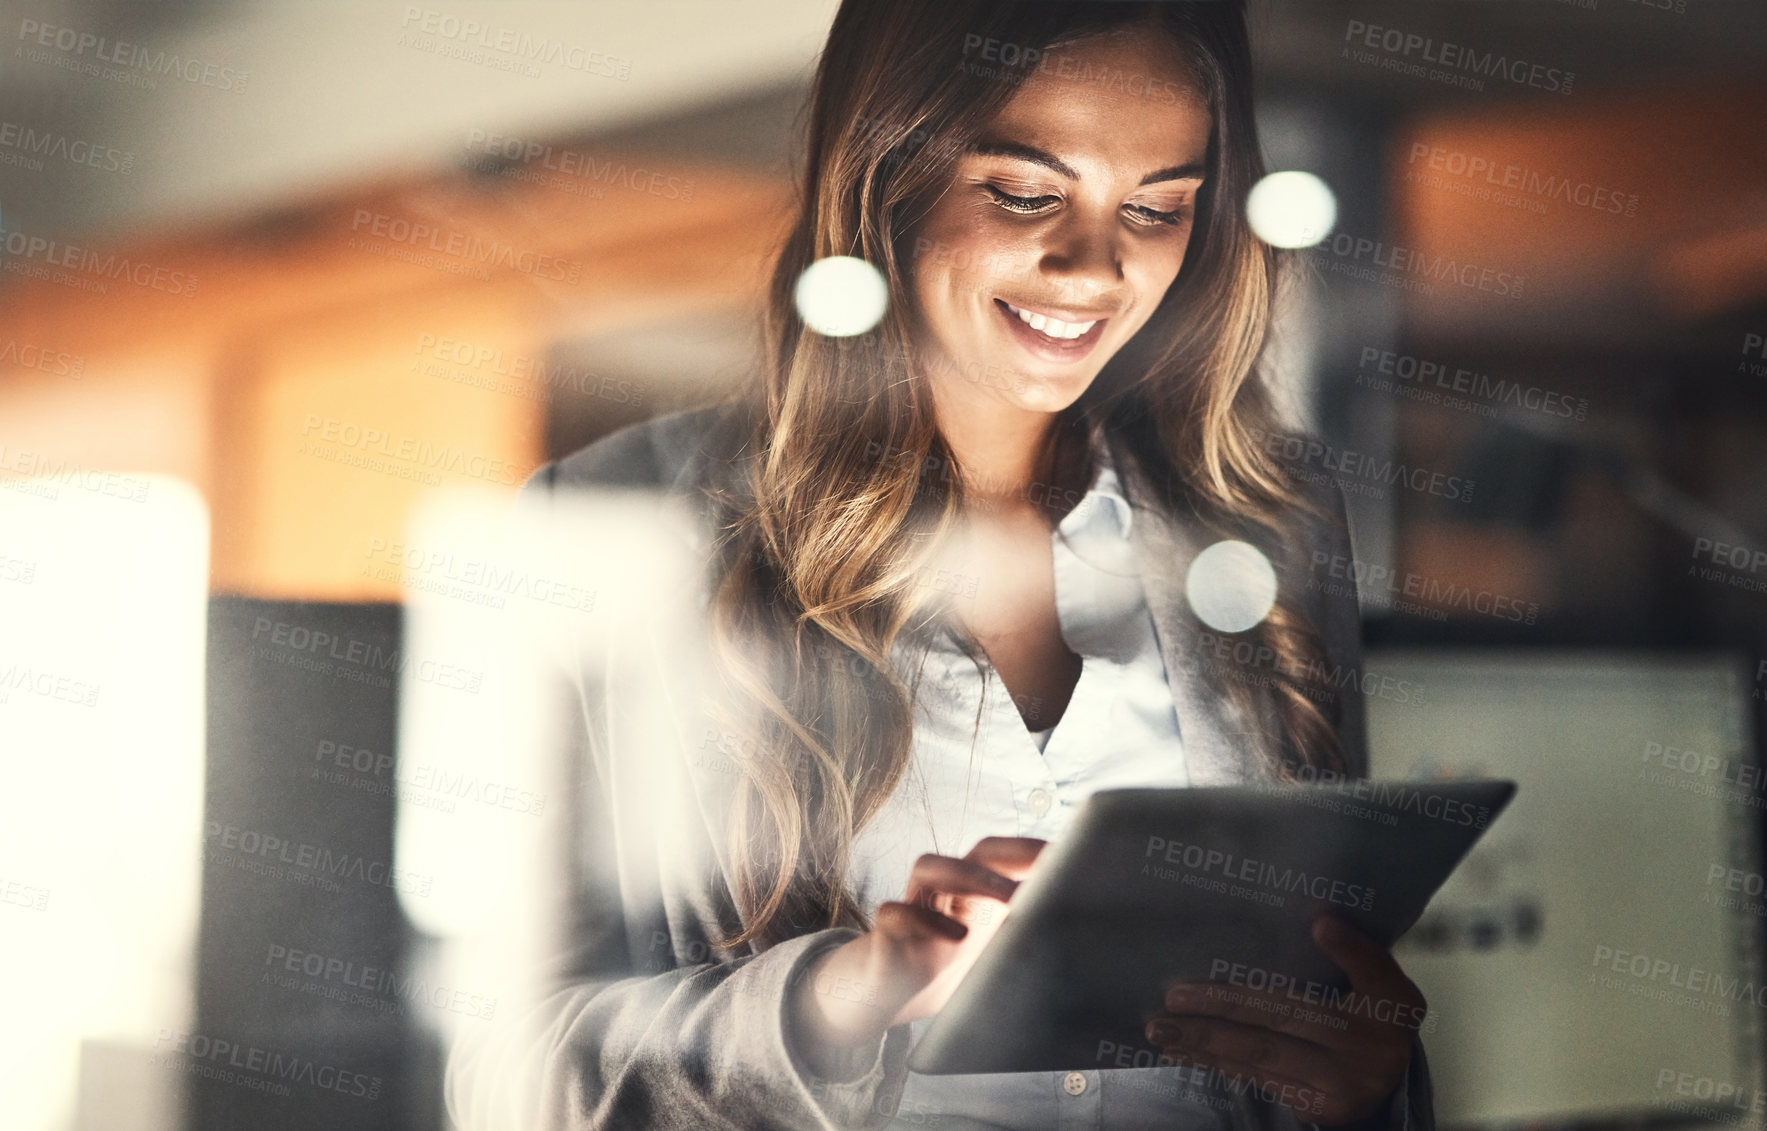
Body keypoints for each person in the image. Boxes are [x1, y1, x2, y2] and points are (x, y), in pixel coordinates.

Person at [446, 2, 1434, 1128]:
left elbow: (1330, 998)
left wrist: (1369, 1081)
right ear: (884, 180)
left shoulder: (1268, 525)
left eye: (1158, 208)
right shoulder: (621, 523)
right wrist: (841, 995)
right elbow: (503, 1077)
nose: (1095, 268)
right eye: (1024, 194)